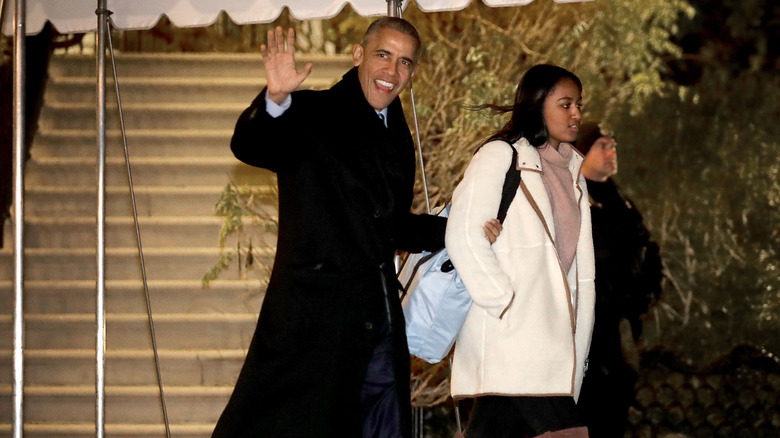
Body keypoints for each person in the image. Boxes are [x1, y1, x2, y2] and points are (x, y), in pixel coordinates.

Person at [212, 18, 497, 438]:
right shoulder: (312, 112)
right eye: (383, 54)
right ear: (358, 54)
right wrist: (275, 98)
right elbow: (250, 145)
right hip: (313, 321)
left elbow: (393, 226)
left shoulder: (397, 133)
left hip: (377, 319)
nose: (392, 71)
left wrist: (462, 230)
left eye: (404, 62)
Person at [445, 64, 595, 438]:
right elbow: (463, 233)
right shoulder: (501, 155)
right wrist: (504, 301)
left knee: (492, 428)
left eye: (578, 104)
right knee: (568, 431)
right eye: (565, 104)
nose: (576, 113)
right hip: (512, 331)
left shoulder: (574, 170)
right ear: (538, 104)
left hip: (553, 334)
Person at [574, 122, 663, 438]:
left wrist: (648, 294)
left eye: (613, 145)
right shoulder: (573, 201)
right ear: (582, 152)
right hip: (586, 334)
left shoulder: (621, 202)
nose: (611, 152)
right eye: (602, 145)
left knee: (615, 412)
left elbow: (647, 253)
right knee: (587, 414)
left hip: (620, 329)